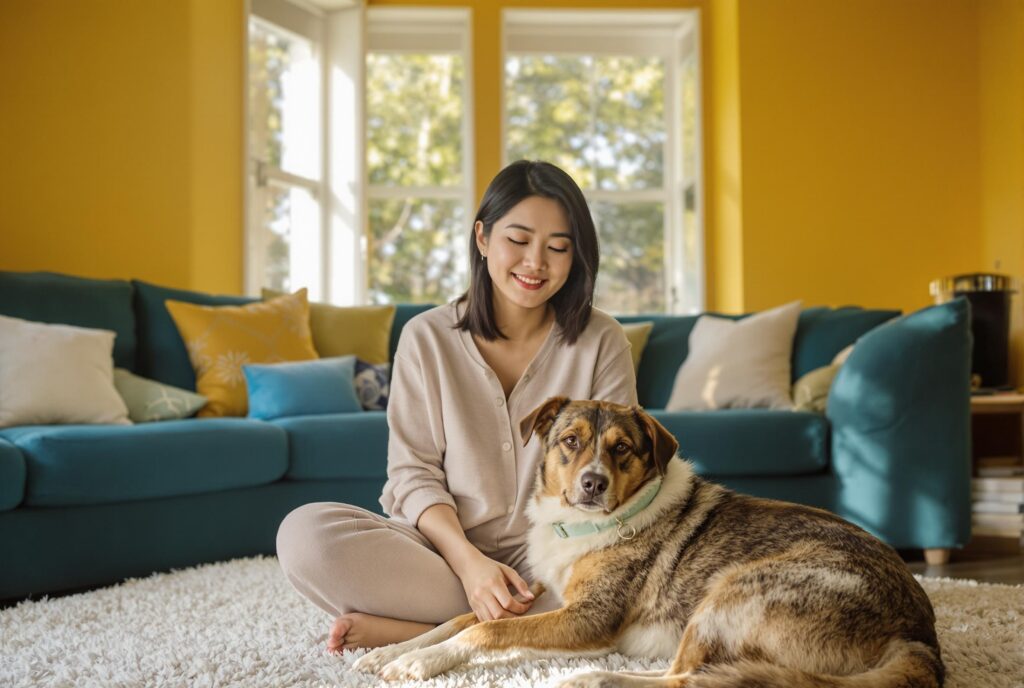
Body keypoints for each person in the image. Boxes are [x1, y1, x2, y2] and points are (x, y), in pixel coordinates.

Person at [276, 160, 638, 652]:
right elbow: (413, 472)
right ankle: (506, 623)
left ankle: (436, 630)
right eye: (518, 240)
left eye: (558, 247)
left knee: (632, 581)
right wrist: (470, 565)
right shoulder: (426, 337)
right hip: (440, 550)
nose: (536, 262)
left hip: (557, 552)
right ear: (483, 238)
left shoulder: (602, 340)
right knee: (305, 536)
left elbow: (618, 473)